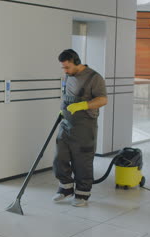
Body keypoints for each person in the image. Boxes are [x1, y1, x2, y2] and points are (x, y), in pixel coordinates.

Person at [52, 49, 108, 207]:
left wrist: (83, 105)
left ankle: (82, 194)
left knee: (82, 160)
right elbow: (67, 96)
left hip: (85, 125)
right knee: (59, 157)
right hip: (66, 122)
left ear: (77, 62)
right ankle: (66, 188)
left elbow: (103, 100)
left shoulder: (94, 78)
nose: (65, 71)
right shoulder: (69, 76)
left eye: (67, 67)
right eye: (63, 68)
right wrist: (63, 110)